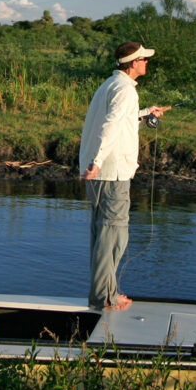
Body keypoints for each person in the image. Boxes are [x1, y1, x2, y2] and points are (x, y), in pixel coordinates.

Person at [79, 42, 171, 311]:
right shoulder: (125, 91)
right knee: (113, 238)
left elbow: (119, 121)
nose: (146, 63)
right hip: (111, 174)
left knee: (103, 236)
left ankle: (103, 294)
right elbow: (109, 127)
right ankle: (105, 297)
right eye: (143, 59)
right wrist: (97, 162)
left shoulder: (111, 85)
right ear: (132, 63)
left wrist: (145, 115)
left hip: (101, 175)